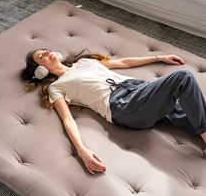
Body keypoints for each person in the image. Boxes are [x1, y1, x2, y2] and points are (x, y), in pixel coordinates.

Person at [21, 48, 206, 175]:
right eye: (40, 56)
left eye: (45, 49)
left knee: (191, 105)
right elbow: (67, 119)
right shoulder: (57, 87)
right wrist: (81, 150)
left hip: (139, 90)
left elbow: (123, 63)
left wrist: (159, 57)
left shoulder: (85, 62)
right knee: (183, 77)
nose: (46, 52)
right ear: (40, 70)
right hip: (122, 106)